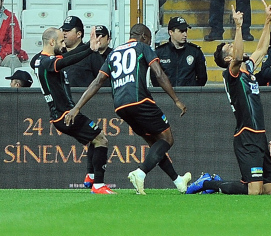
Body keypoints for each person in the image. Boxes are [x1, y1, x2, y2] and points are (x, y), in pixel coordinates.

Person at [66, 24, 193, 195]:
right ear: (144, 36)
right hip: (140, 100)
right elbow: (159, 74)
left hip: (120, 106)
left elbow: (97, 82)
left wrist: (77, 107)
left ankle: (178, 181)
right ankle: (140, 173)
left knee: (155, 144)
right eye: (149, 39)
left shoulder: (113, 53)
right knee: (167, 139)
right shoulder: (142, 47)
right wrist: (176, 100)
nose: (149, 42)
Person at [189, 0, 271, 195]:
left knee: (268, 190)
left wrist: (268, 21)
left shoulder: (248, 69)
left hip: (259, 135)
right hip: (246, 135)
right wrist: (238, 27)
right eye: (230, 46)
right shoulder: (231, 74)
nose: (234, 47)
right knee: (254, 190)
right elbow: (237, 56)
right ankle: (208, 183)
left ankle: (214, 183)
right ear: (227, 59)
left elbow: (262, 49)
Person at [30, 26, 115, 194]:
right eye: (61, 41)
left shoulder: (38, 60)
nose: (64, 45)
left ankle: (91, 176)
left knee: (94, 138)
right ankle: (98, 185)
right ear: (52, 42)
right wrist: (89, 51)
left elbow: (66, 57)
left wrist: (88, 45)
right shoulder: (48, 63)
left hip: (60, 114)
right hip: (66, 114)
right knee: (102, 140)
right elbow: (67, 61)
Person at [152, 17, 208, 87]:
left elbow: (202, 78)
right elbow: (154, 77)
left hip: (188, 93)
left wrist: (192, 90)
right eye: (181, 31)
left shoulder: (195, 52)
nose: (185, 34)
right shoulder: (160, 52)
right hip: (166, 93)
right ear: (171, 32)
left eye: (185, 31)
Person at [60, 16, 113, 87]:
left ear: (79, 34)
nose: (64, 33)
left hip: (84, 94)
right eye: (63, 30)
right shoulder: (58, 55)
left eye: (67, 30)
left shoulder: (91, 54)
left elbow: (104, 82)